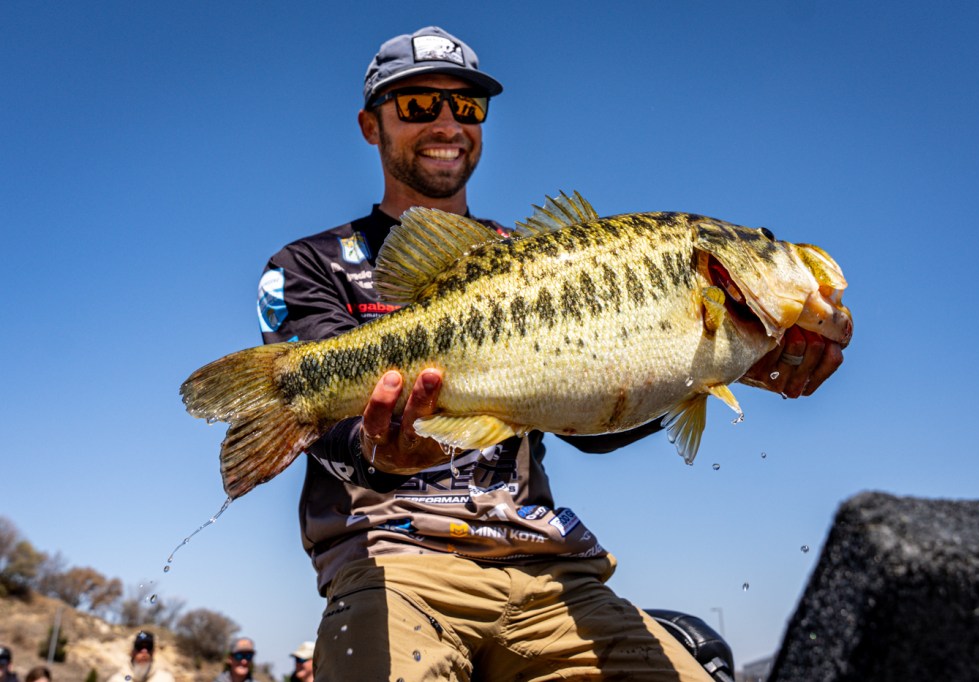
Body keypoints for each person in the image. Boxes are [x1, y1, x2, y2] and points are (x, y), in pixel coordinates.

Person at [257, 25, 844, 681]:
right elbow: (321, 429)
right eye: (419, 104)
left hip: (548, 564)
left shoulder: (527, 254)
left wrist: (714, 365)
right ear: (372, 125)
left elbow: (588, 422)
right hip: (394, 562)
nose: (448, 122)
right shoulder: (308, 265)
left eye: (467, 105)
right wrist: (380, 451)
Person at [106, 631, 174, 682]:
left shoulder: (165, 679)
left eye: (149, 647)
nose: (144, 652)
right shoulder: (118, 679)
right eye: (139, 647)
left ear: (153, 652)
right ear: (131, 652)